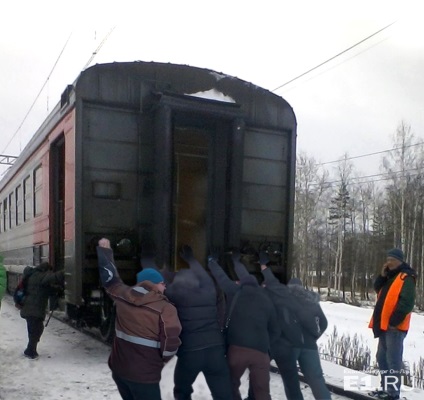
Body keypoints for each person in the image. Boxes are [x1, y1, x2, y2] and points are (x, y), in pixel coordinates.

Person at [97, 238, 181, 400]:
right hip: (145, 377)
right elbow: (170, 343)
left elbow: (110, 279)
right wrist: (164, 360)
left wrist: (105, 253)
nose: (164, 287)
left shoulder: (122, 295)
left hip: (120, 371)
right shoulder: (165, 309)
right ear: (155, 284)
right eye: (162, 283)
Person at [244, 251, 331, 400]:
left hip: (287, 345)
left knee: (289, 380)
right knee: (316, 379)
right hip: (309, 346)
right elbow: (323, 323)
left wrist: (263, 268)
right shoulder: (311, 301)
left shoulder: (284, 297)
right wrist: (313, 337)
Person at [208, 251, 279, 400]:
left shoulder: (235, 292)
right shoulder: (266, 298)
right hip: (261, 353)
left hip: (236, 350)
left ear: (241, 284)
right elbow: (275, 329)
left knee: (230, 386)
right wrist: (266, 349)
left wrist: (211, 262)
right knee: (262, 393)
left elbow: (222, 278)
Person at [164, 245, 232, 400]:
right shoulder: (208, 290)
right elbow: (205, 276)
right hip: (215, 350)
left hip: (190, 353)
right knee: (224, 394)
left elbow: (162, 281)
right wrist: (191, 259)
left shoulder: (174, 293)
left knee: (182, 391)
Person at [368, 248, 416, 400]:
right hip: (384, 325)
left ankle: (393, 394)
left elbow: (407, 303)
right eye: (388, 259)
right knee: (382, 358)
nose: (389, 262)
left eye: (392, 260)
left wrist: (394, 322)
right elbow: (377, 289)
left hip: (394, 327)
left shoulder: (406, 277)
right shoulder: (390, 277)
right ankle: (385, 389)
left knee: (393, 361)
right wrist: (382, 275)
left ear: (400, 261)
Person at [19, 261, 65, 359]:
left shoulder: (35, 276)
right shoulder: (40, 276)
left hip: (31, 308)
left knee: (35, 329)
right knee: (35, 330)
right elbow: (52, 278)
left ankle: (31, 350)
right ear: (46, 270)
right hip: (33, 309)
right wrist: (66, 271)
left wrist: (57, 290)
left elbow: (45, 289)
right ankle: (30, 351)